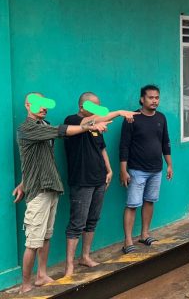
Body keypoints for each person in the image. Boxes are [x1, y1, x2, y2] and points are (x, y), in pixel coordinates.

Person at [11, 92, 132, 293]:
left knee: (46, 236)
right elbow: (63, 131)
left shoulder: (43, 125)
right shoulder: (27, 128)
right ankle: (25, 285)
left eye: (45, 104)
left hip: (52, 187)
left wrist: (23, 181)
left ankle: (41, 275)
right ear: (27, 105)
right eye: (38, 104)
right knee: (33, 241)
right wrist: (89, 125)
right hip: (39, 191)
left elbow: (34, 158)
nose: (43, 108)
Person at [62, 92, 137, 277]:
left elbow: (101, 147)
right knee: (76, 223)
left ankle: (85, 257)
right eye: (93, 106)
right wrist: (119, 112)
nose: (97, 110)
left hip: (99, 178)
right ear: (81, 107)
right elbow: (90, 122)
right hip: (81, 180)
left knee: (92, 220)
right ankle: (69, 265)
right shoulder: (73, 120)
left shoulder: (96, 126)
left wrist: (109, 169)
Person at [119, 85, 173, 253]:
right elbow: (124, 146)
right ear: (142, 99)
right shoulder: (131, 118)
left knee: (150, 201)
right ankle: (128, 241)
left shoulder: (161, 118)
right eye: (150, 97)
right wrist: (123, 170)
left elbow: (165, 142)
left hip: (156, 170)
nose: (154, 100)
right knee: (133, 204)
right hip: (136, 170)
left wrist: (169, 164)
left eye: (157, 97)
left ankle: (144, 234)